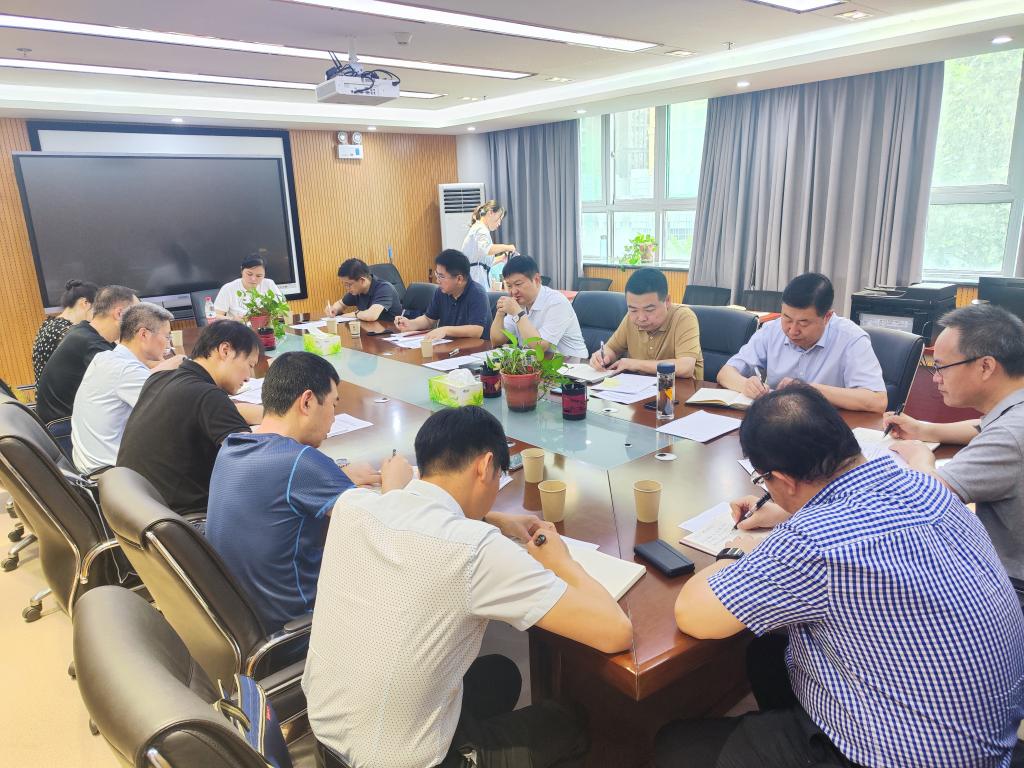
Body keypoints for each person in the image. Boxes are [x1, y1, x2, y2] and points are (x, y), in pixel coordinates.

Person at [658, 384, 1024, 768]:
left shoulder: (812, 542)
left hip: (909, 756)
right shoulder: (926, 486)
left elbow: (694, 616)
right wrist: (792, 511)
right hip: (988, 734)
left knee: (676, 746)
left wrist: (737, 552)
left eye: (763, 480)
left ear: (783, 479)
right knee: (766, 654)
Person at [303, 406, 633, 768]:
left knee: (501, 675)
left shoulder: (353, 506)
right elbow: (615, 632)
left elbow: (417, 516)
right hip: (400, 761)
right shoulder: (475, 549)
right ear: (485, 465)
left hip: (326, 740)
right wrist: (561, 561)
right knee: (569, 723)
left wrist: (494, 519)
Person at [206, 351, 411, 632]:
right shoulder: (301, 462)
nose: (333, 419)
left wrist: (335, 475)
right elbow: (387, 537)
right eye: (333, 405)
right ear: (307, 401)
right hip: (298, 628)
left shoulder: (233, 445)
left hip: (243, 618)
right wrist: (395, 485)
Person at [885, 303, 1024, 608]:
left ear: (985, 366)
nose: (935, 377)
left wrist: (921, 456)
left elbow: (925, 500)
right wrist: (923, 429)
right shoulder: (1014, 410)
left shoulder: (1009, 436)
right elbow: (982, 427)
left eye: (941, 367)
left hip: (1012, 588)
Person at [117, 321, 263, 517]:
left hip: (138, 516)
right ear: (225, 350)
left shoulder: (159, 379)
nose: (248, 377)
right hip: (186, 522)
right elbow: (255, 465)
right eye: (250, 365)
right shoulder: (207, 395)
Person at [717, 273, 887, 413]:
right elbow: (725, 373)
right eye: (787, 318)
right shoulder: (772, 330)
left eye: (803, 323)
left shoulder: (851, 339)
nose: (792, 330)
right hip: (778, 423)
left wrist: (809, 390)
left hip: (826, 427)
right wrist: (746, 385)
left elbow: (877, 401)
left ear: (827, 317)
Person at [71, 303, 184, 475]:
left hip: (91, 465)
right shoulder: (126, 370)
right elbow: (175, 410)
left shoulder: (105, 357)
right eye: (167, 336)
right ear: (144, 334)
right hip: (113, 475)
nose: (169, 343)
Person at [35, 284, 138, 425]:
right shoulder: (87, 342)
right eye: (137, 315)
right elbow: (127, 379)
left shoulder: (82, 331)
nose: (140, 321)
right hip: (64, 425)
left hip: (61, 418)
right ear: (119, 313)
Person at [589, 268, 704, 379]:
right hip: (639, 389)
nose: (641, 318)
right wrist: (602, 357)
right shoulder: (630, 318)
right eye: (633, 310)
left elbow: (685, 367)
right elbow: (612, 349)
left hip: (677, 389)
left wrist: (634, 364)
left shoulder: (683, 317)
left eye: (649, 310)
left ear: (667, 301)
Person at [490, 255, 588, 361]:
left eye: (518, 284)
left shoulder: (556, 302)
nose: (513, 291)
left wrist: (517, 313)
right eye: (509, 286)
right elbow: (496, 341)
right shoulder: (517, 303)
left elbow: (540, 347)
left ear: (536, 280)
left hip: (571, 365)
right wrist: (500, 312)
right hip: (535, 362)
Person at [394, 250, 491, 341]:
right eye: (437, 275)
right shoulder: (441, 291)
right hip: (448, 347)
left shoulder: (477, 293)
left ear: (459, 279)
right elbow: (428, 319)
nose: (437, 280)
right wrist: (411, 324)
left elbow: (477, 330)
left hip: (476, 350)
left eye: (441, 276)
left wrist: (445, 330)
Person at [32, 279, 98, 382]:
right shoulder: (68, 332)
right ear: (85, 303)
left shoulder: (49, 323)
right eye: (96, 309)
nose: (96, 315)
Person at [213, 251, 286, 319]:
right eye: (249, 274)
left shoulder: (269, 284)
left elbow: (283, 308)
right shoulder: (228, 288)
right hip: (239, 327)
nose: (253, 279)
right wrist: (233, 320)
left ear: (264, 275)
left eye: (259, 276)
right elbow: (215, 315)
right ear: (241, 270)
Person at [325, 258, 403, 322]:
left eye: (349, 284)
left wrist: (355, 314)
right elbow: (341, 304)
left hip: (391, 331)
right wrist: (334, 309)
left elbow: (372, 316)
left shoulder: (384, 288)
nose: (347, 288)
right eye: (345, 284)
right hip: (372, 330)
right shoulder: (357, 290)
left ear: (362, 280)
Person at [462, 200, 516, 291]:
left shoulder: (481, 229)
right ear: (491, 212)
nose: (499, 223)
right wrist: (508, 247)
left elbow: (484, 262)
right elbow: (487, 249)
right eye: (499, 218)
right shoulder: (480, 229)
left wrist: (501, 258)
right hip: (475, 281)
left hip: (478, 281)